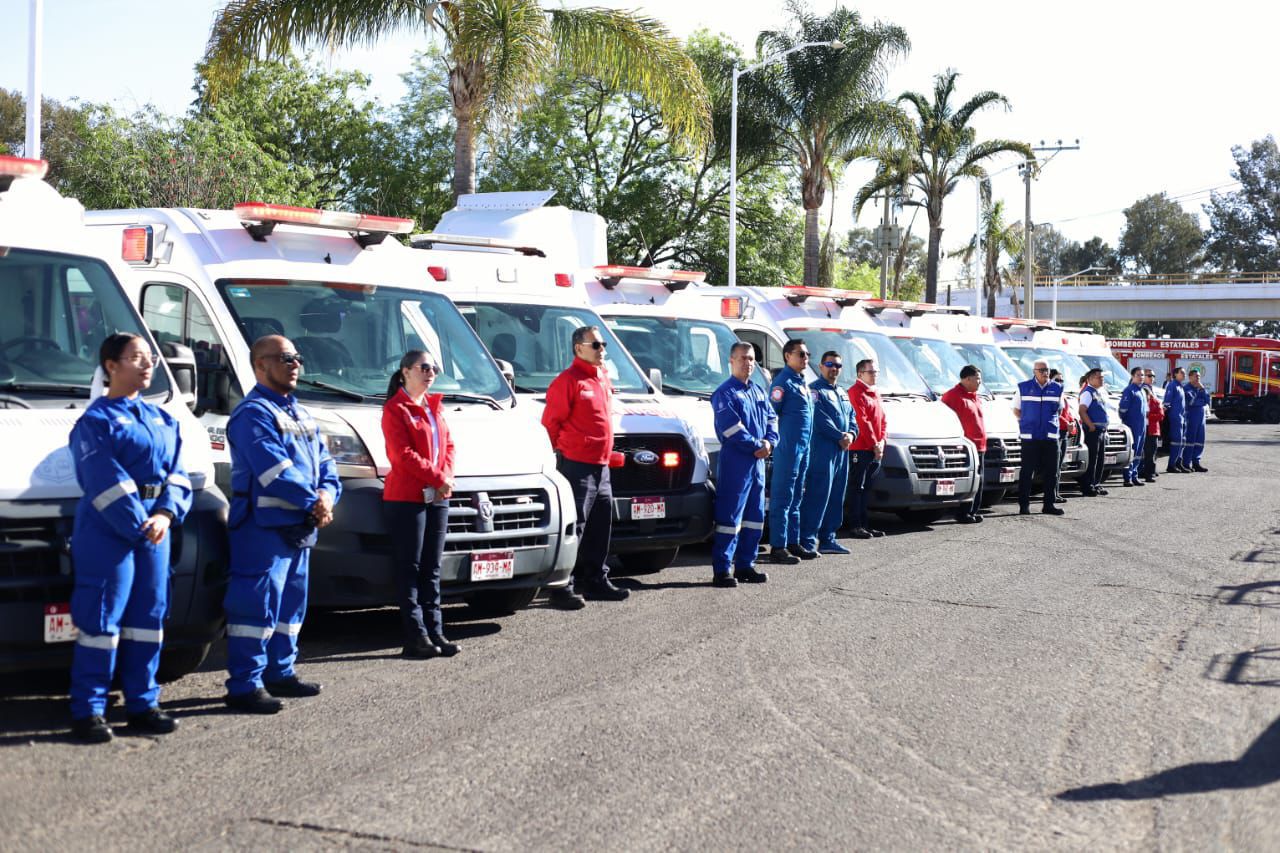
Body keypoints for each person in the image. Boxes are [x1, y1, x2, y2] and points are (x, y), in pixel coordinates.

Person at [67, 333, 193, 743]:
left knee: (148, 620)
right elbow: (102, 478)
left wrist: (165, 513)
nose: (147, 365)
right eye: (135, 358)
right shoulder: (95, 421)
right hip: (110, 532)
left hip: (154, 530)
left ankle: (143, 704)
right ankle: (88, 711)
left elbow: (178, 473)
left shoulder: (163, 419)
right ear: (110, 366)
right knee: (102, 620)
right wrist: (142, 521)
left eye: (150, 358)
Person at [224, 335, 341, 714]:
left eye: (297, 358)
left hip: (300, 527)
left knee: (291, 607)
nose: (294, 364)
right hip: (262, 530)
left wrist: (326, 496)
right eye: (284, 358)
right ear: (260, 365)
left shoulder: (302, 414)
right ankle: (245, 684)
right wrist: (315, 500)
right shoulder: (252, 413)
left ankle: (280, 673)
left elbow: (328, 467)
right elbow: (275, 471)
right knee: (255, 608)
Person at [541, 325, 628, 606]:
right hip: (576, 465)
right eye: (596, 345)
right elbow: (550, 424)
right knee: (574, 526)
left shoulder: (601, 377)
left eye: (603, 344)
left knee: (600, 525)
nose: (602, 349)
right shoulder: (568, 381)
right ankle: (562, 586)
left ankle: (595, 580)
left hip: (601, 465)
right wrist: (555, 456)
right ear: (579, 348)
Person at [382, 351, 459, 659]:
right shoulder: (395, 409)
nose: (430, 373)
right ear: (405, 372)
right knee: (410, 568)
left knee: (432, 568)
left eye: (434, 368)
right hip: (407, 498)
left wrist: (447, 477)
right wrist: (438, 476)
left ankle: (436, 631)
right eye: (424, 367)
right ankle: (416, 636)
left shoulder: (433, 407)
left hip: (437, 496)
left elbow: (449, 445)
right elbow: (402, 455)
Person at [709, 342, 778, 586]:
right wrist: (757, 445)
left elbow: (772, 418)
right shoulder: (724, 393)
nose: (747, 363)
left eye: (751, 359)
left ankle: (746, 565)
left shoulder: (759, 391)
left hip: (758, 463)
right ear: (731, 360)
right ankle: (722, 570)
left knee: (755, 517)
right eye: (742, 359)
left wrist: (770, 442)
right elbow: (731, 428)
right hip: (736, 463)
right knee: (730, 518)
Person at [799, 351, 858, 552]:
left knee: (836, 495)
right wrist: (839, 436)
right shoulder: (814, 391)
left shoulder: (842, 392)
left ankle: (828, 539)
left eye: (838, 366)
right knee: (818, 495)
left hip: (842, 453)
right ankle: (807, 540)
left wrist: (851, 433)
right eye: (830, 364)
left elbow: (852, 417)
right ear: (821, 366)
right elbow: (820, 418)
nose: (834, 368)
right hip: (823, 451)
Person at [767, 339, 815, 563]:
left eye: (807, 354)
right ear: (788, 356)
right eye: (801, 354)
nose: (806, 358)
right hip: (788, 449)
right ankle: (778, 546)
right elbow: (770, 415)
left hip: (803, 448)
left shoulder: (802, 382)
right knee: (782, 497)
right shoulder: (782, 383)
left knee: (797, 497)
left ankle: (793, 542)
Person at [1013, 359, 1065, 515]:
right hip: (1030, 437)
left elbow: (1059, 411)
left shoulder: (1057, 388)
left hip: (1050, 437)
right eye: (1041, 370)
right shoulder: (1023, 387)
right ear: (1034, 371)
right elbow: (1016, 410)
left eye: (1047, 370)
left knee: (1052, 472)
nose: (1045, 373)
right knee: (1027, 472)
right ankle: (1024, 505)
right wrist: (1029, 421)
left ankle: (1049, 504)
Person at [846, 358, 888, 538]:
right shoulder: (856, 392)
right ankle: (855, 525)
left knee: (867, 487)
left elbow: (882, 419)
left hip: (874, 448)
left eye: (875, 372)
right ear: (860, 374)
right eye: (871, 372)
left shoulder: (874, 393)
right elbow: (862, 421)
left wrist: (882, 441)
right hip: (861, 448)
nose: (874, 375)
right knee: (857, 487)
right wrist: (874, 443)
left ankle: (865, 524)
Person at [941, 365, 986, 524]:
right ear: (967, 379)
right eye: (977, 378)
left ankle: (973, 510)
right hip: (965, 447)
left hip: (980, 446)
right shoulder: (952, 396)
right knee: (968, 480)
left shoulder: (975, 396)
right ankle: (962, 513)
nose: (980, 382)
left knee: (979, 481)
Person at [1077, 368, 1110, 497]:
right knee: (1092, 459)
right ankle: (1088, 485)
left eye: (1102, 377)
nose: (1101, 379)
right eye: (1098, 377)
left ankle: (1096, 483)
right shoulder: (1087, 392)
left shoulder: (1098, 392)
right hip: (1093, 431)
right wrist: (1090, 425)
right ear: (1090, 379)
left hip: (1101, 430)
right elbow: (1082, 410)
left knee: (1100, 459)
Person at [1117, 366, 1148, 487]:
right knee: (1132, 450)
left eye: (1142, 375)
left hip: (1141, 426)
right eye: (1138, 375)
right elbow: (1123, 408)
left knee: (1139, 451)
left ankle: (1134, 475)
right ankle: (1127, 477)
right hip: (1132, 425)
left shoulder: (1142, 391)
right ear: (1133, 376)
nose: (1141, 377)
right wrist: (1126, 421)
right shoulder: (1129, 390)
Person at [1049, 369, 1073, 503]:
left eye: (1061, 380)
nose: (1060, 383)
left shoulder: (1062, 394)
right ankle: (1051, 494)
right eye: (1057, 380)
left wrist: (1072, 420)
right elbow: (1055, 414)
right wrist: (1067, 423)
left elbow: (1066, 413)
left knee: (1059, 466)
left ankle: (1056, 493)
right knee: (1054, 466)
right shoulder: (1052, 395)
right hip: (1056, 432)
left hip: (1064, 433)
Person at [1182, 368, 1210, 472]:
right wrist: (1201, 400)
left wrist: (1202, 390)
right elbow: (1192, 402)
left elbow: (1207, 400)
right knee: (1190, 441)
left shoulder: (1201, 388)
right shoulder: (1186, 389)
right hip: (1191, 417)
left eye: (1199, 376)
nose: (1198, 378)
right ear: (1190, 377)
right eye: (1196, 376)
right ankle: (1186, 463)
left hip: (1201, 418)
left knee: (1200, 441)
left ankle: (1196, 462)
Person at [1140, 370, 1163, 482]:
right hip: (1141, 428)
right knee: (1141, 452)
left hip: (1152, 429)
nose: (1151, 377)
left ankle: (1149, 472)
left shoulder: (1154, 399)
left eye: (1153, 376)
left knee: (1151, 452)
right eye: (1149, 375)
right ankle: (1141, 471)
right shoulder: (1140, 390)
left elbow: (1160, 414)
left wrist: (1149, 415)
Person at [1164, 367, 1189, 473]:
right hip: (1175, 418)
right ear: (1175, 374)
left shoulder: (1180, 386)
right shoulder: (1172, 385)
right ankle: (1171, 465)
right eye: (1182, 373)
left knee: (1182, 442)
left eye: (1184, 373)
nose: (1184, 374)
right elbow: (1167, 402)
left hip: (1182, 418)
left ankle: (1178, 463)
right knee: (1176, 442)